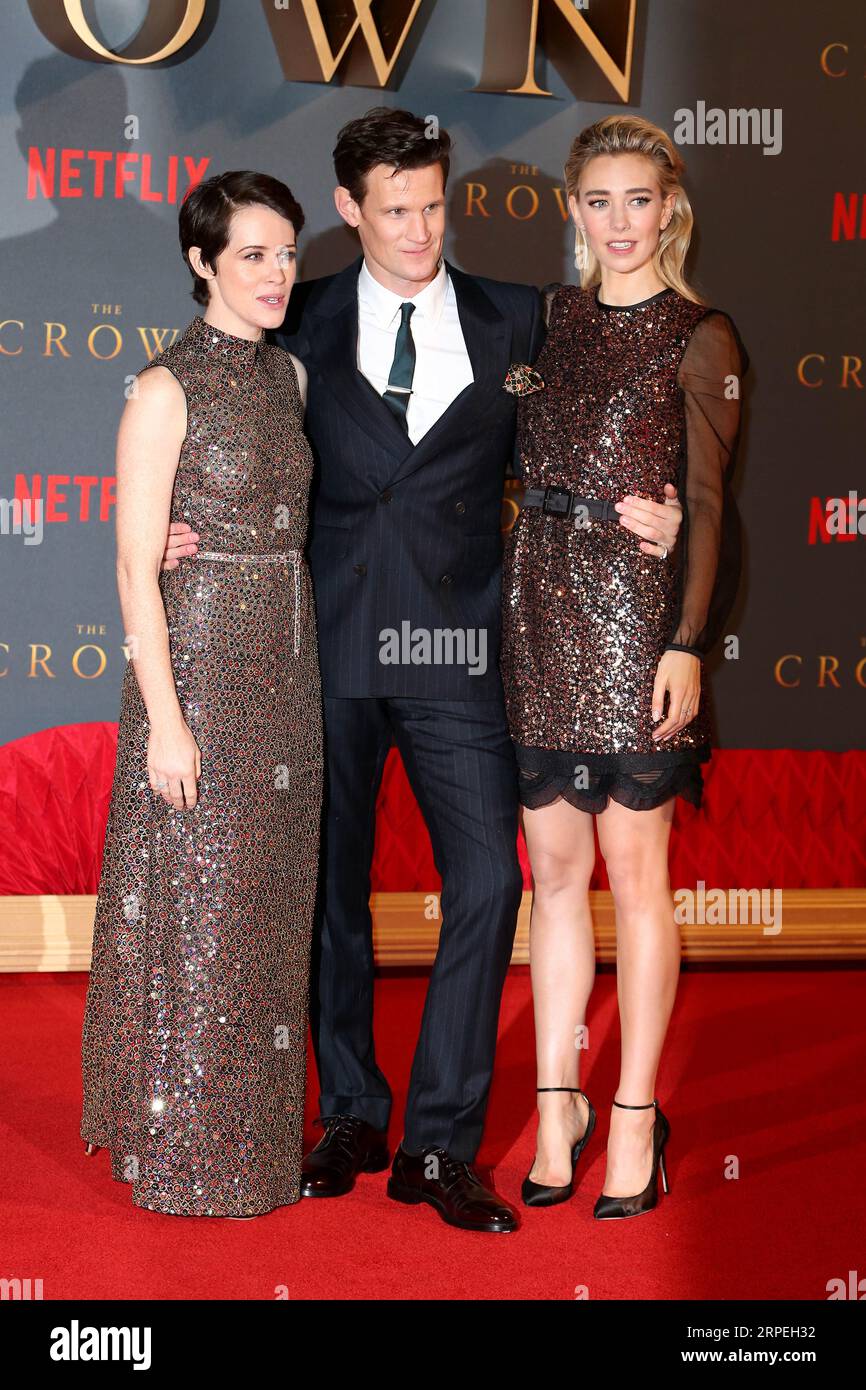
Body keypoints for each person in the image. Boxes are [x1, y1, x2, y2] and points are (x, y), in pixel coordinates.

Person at [162, 108, 683, 1234]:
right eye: (392, 209)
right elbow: (203, 417)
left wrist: (664, 497)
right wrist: (167, 523)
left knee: (489, 887)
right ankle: (349, 1108)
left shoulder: (518, 319)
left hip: (459, 647)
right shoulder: (288, 317)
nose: (416, 229)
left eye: (432, 205)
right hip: (327, 646)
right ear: (347, 210)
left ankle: (442, 1144)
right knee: (328, 896)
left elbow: (619, 404)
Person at [500, 115, 747, 1218]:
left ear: (669, 207)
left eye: (637, 200)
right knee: (552, 879)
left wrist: (685, 645)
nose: (618, 223)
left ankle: (636, 1109)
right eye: (596, 201)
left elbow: (707, 509)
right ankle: (559, 1101)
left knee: (633, 879)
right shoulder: (544, 322)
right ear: (572, 211)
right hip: (538, 612)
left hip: (637, 624)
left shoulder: (699, 334)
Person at [80, 171, 323, 1217]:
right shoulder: (161, 389)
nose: (275, 275)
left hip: (290, 661)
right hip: (203, 671)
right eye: (252, 255)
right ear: (202, 263)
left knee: (270, 910)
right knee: (201, 904)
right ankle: (184, 1150)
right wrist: (167, 723)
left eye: (285, 252)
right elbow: (136, 568)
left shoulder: (294, 380)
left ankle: (259, 1148)